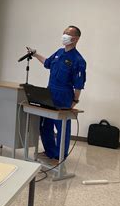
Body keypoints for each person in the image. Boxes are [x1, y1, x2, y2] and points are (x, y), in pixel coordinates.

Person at [28, 26, 86, 160]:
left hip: (64, 96)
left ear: (76, 38)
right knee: (45, 125)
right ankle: (50, 151)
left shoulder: (78, 60)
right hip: (49, 93)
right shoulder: (59, 52)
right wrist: (35, 54)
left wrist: (75, 101)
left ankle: (60, 156)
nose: (64, 35)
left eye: (68, 33)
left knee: (62, 129)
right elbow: (47, 63)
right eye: (64, 32)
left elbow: (78, 84)